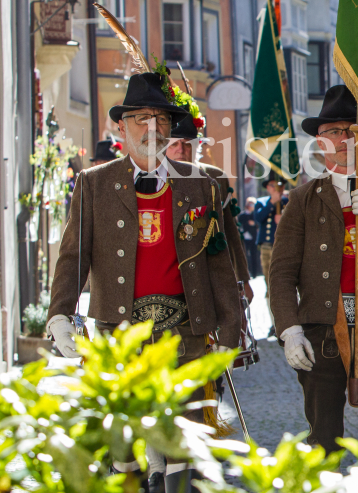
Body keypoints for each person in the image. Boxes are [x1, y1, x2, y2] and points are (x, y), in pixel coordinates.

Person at [45, 72, 240, 492]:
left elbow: (219, 264)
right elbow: (72, 256)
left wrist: (231, 328)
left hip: (186, 334)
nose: (151, 128)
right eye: (140, 119)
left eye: (160, 119)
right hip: (120, 336)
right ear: (122, 126)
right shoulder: (94, 184)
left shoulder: (198, 183)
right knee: (127, 451)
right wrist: (59, 313)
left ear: (171, 127)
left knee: (181, 448)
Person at [268, 85, 358, 452]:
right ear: (319, 143)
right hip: (323, 333)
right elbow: (282, 272)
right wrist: (289, 329)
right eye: (334, 131)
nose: (344, 139)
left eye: (353, 130)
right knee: (323, 441)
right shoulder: (302, 200)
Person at [166, 105, 252, 302]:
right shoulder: (156, 180)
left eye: (187, 144)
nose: (181, 150)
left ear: (197, 147)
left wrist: (244, 279)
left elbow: (231, 231)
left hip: (212, 271)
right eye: (174, 144)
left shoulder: (215, 177)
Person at [238, 197, 261, 279]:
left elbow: (259, 224)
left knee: (253, 255)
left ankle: (254, 273)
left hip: (253, 238)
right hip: (245, 237)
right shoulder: (242, 215)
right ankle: (247, 272)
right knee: (245, 255)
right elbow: (240, 225)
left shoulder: (255, 215)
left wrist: (254, 223)